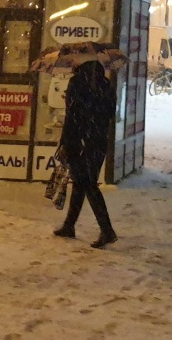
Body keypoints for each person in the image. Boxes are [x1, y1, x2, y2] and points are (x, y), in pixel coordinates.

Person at [54, 59, 118, 248]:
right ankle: (69, 225)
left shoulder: (77, 83)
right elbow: (109, 113)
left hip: (78, 141)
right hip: (97, 141)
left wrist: (66, 142)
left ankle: (107, 230)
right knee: (82, 183)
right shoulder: (105, 85)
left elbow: (72, 117)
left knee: (87, 184)